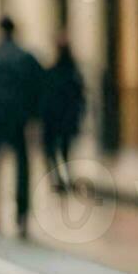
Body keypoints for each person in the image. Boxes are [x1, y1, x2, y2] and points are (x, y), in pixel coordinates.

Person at [0, 16, 45, 236]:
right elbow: (39, 89)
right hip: (18, 120)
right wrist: (31, 115)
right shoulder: (27, 58)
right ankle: (21, 215)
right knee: (22, 167)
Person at [40, 36, 86, 193]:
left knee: (52, 150)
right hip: (66, 118)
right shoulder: (73, 73)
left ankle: (58, 179)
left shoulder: (53, 72)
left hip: (54, 118)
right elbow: (80, 97)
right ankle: (63, 178)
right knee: (65, 150)